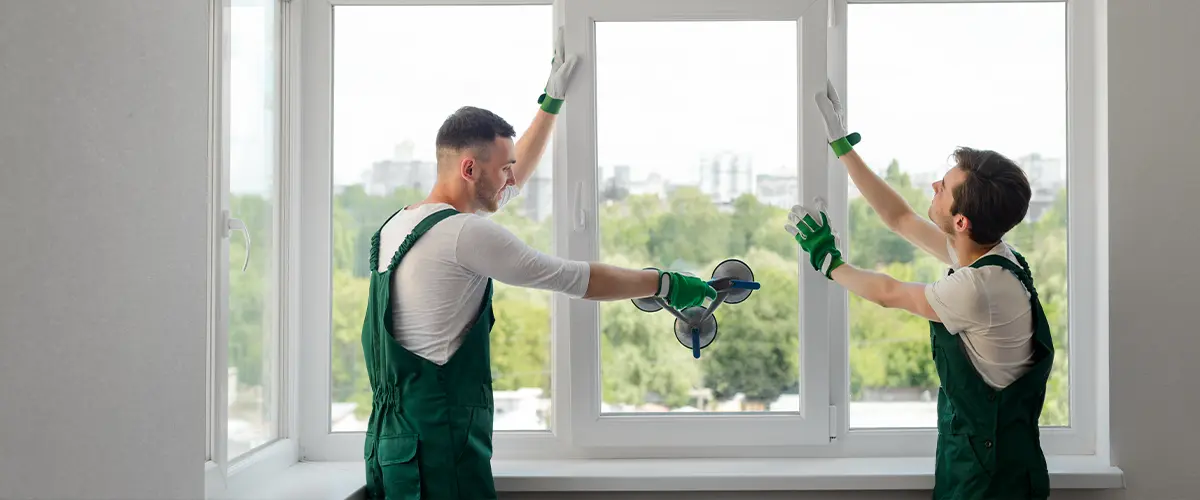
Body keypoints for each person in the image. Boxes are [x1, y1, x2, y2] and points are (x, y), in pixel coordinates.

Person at [359, 39, 717, 500]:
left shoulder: (399, 225)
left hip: (390, 453)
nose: (513, 179)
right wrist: (664, 282)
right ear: (470, 168)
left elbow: (505, 184)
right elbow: (576, 278)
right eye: (504, 168)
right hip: (440, 457)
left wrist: (550, 104)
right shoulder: (466, 235)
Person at [788, 81, 1054, 500]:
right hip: (993, 461)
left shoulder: (976, 290)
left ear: (962, 221)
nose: (935, 186)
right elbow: (901, 219)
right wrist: (842, 146)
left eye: (944, 188)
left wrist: (828, 261)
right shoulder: (998, 256)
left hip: (987, 481)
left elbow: (888, 293)